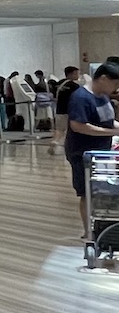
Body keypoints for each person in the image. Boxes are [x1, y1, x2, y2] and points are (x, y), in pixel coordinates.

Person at [65, 63, 119, 241]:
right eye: (115, 83)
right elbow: (78, 126)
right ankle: (88, 232)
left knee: (102, 190)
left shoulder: (103, 97)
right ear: (103, 79)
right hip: (82, 153)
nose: (116, 88)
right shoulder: (80, 97)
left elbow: (108, 122)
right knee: (87, 192)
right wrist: (113, 132)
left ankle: (103, 230)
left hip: (102, 151)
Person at [54, 66, 80, 156]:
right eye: (76, 73)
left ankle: (55, 141)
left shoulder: (59, 83)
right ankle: (63, 147)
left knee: (59, 129)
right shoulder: (74, 86)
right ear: (71, 74)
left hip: (58, 110)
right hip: (68, 111)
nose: (78, 75)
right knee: (67, 130)